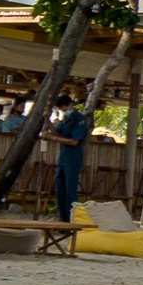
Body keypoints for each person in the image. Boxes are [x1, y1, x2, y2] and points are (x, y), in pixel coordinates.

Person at [49, 89, 91, 221]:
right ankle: (63, 219)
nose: (64, 111)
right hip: (63, 159)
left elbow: (74, 141)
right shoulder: (65, 120)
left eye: (65, 108)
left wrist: (53, 139)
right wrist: (47, 121)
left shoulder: (79, 120)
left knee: (70, 191)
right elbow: (57, 133)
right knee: (60, 190)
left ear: (70, 105)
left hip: (73, 159)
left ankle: (72, 220)